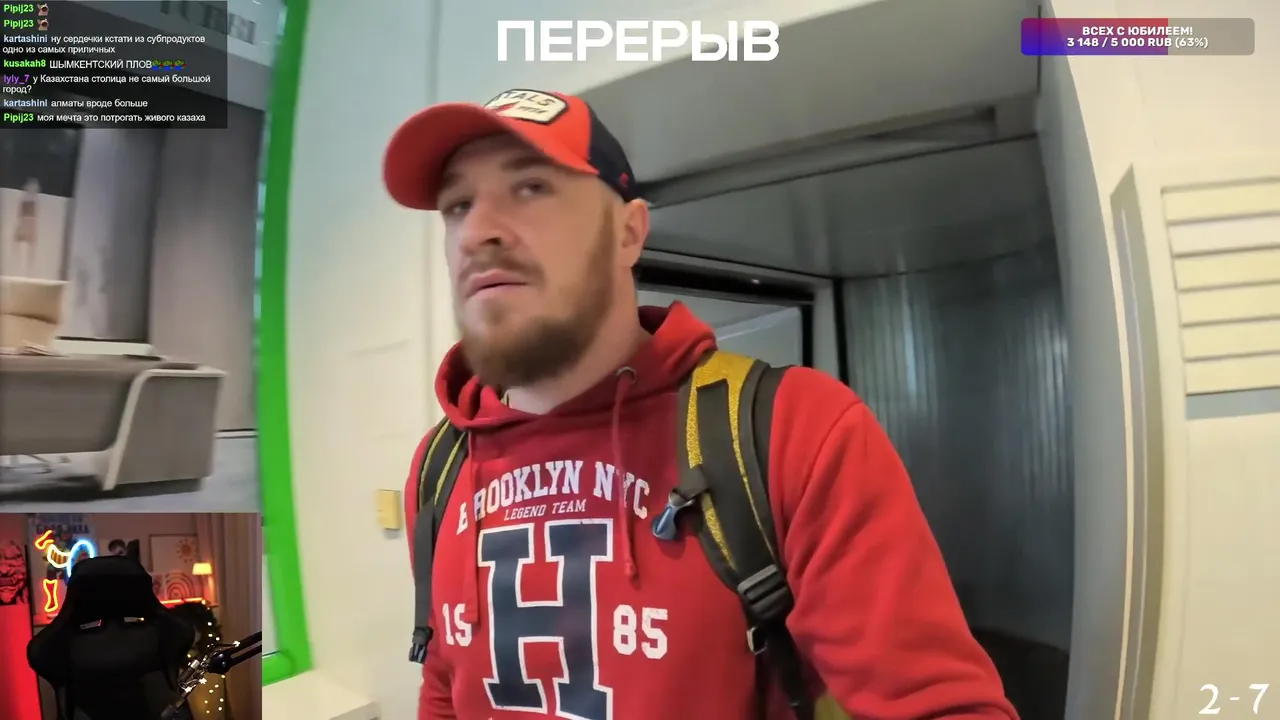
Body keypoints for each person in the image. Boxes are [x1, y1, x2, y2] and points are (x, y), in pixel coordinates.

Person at [385, 89, 1018, 720]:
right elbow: (446, 683)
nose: (478, 232)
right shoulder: (440, 469)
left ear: (628, 232)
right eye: (458, 204)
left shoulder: (792, 431)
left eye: (531, 187)